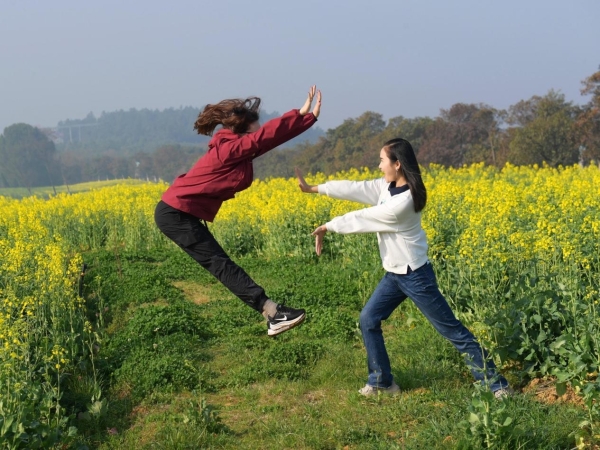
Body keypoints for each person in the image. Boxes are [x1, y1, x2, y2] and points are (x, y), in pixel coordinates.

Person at [295, 138, 513, 397]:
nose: (378, 166)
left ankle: (497, 386)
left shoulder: (403, 204)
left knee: (451, 330)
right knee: (368, 319)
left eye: (382, 160)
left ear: (397, 164)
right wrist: (314, 188)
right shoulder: (388, 187)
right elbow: (356, 188)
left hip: (415, 275)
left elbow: (365, 218)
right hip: (395, 274)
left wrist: (328, 226)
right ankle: (382, 383)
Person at [155, 86, 321, 336]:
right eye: (258, 125)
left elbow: (267, 140)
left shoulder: (237, 149)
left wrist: (305, 118)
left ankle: (271, 312)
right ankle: (272, 313)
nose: (261, 128)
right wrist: (298, 114)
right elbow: (264, 137)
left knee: (219, 262)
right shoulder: (228, 150)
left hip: (180, 212)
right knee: (219, 263)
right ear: (246, 129)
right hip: (174, 214)